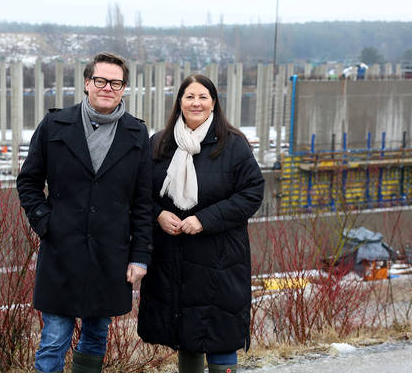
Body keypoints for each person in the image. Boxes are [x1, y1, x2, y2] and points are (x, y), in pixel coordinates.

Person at [17, 53, 153, 373]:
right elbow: (28, 181)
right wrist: (45, 223)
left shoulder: (136, 134)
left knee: (96, 335)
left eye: (116, 83)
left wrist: (140, 256)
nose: (108, 88)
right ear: (87, 83)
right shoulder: (55, 125)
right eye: (100, 80)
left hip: (110, 253)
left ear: (124, 88)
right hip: (61, 250)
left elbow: (144, 202)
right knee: (54, 338)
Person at [137, 74, 265, 373]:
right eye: (190, 96)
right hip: (172, 257)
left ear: (214, 103)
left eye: (203, 97)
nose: (196, 103)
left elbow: (252, 193)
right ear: (179, 102)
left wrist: (204, 220)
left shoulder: (233, 144)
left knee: (221, 333)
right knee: (186, 333)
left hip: (220, 257)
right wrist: (158, 214)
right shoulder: (160, 143)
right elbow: (139, 192)